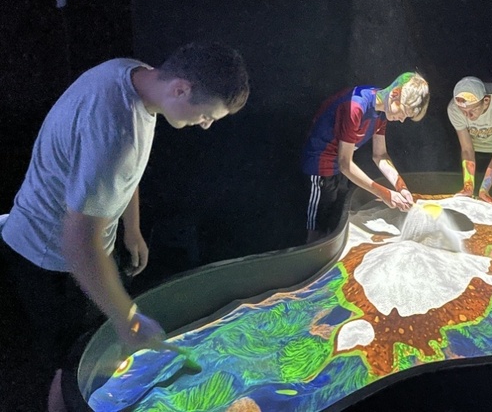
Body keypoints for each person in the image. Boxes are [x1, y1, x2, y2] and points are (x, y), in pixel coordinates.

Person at [0, 41, 249, 411]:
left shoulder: (128, 72)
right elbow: (77, 243)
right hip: (52, 257)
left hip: (67, 238)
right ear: (181, 89)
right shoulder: (118, 134)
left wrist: (132, 228)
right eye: (207, 114)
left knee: (90, 348)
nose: (206, 125)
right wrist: (126, 318)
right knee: (76, 365)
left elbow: (119, 177)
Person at [302, 72, 430, 243]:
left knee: (334, 223)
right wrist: (384, 194)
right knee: (317, 228)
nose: (401, 120)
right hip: (320, 166)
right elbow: (345, 163)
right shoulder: (356, 107)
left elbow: (380, 155)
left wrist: (401, 187)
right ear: (395, 94)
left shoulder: (382, 112)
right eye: (403, 113)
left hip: (338, 169)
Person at [447, 76, 492, 205]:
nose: (468, 116)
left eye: (473, 110)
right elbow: (467, 150)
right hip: (476, 148)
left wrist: (484, 190)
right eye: (463, 111)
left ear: (486, 101)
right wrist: (468, 187)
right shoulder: (453, 108)